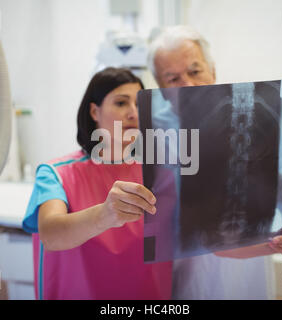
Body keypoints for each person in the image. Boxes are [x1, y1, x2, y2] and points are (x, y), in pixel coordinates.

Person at [147, 25, 282, 299]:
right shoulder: (154, 129)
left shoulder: (259, 116)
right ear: (161, 89)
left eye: (195, 71)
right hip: (183, 263)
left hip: (247, 254)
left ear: (213, 72)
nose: (187, 85)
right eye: (172, 78)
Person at [22, 67, 173, 299]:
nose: (134, 113)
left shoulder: (158, 170)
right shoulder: (56, 174)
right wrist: (104, 215)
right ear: (94, 111)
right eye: (121, 103)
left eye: (139, 104)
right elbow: (50, 235)